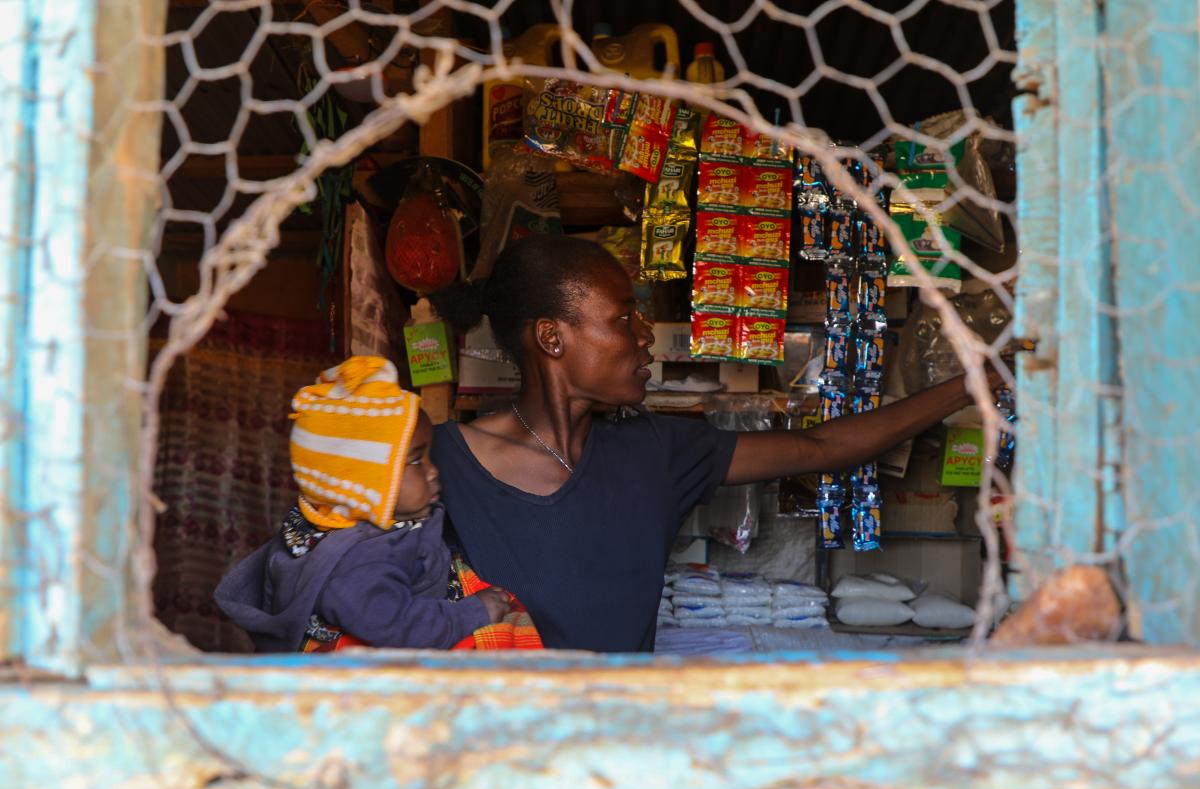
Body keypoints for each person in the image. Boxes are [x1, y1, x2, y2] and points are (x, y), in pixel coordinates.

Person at [431, 234, 1010, 653]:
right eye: (624, 316)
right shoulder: (440, 466)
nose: (644, 336)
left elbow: (821, 448)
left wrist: (968, 388)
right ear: (552, 338)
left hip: (620, 743)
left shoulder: (657, 451)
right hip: (499, 746)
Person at [214, 356, 540, 652]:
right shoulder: (357, 560)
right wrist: (473, 612)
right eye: (416, 461)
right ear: (363, 484)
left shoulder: (355, 520)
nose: (432, 472)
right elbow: (396, 626)